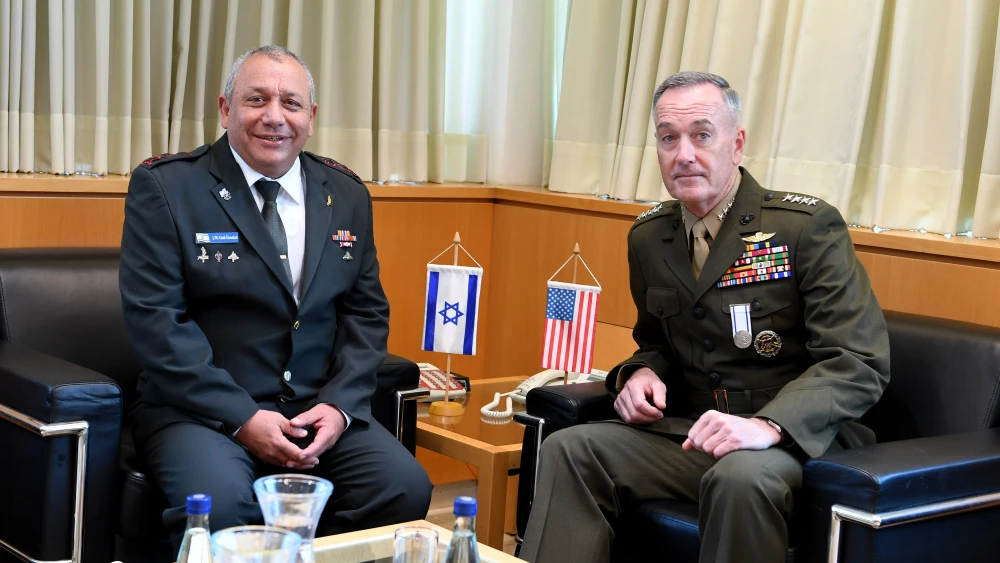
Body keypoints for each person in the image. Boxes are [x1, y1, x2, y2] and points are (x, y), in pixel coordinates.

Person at [519, 71, 889, 563]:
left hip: (797, 442)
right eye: (669, 138)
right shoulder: (649, 237)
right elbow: (658, 342)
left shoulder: (804, 228)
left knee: (739, 478)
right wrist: (640, 373)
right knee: (571, 449)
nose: (684, 154)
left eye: (701, 135)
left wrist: (768, 425)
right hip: (696, 433)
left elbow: (858, 361)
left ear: (736, 144)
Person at [119, 45, 432, 549]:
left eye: (290, 103)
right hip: (199, 412)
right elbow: (156, 321)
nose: (274, 117)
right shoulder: (168, 187)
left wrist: (339, 407)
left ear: (311, 117)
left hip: (312, 410)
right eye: (256, 99)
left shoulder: (346, 193)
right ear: (225, 109)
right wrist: (242, 417)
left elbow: (366, 314)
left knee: (402, 488)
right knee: (223, 511)